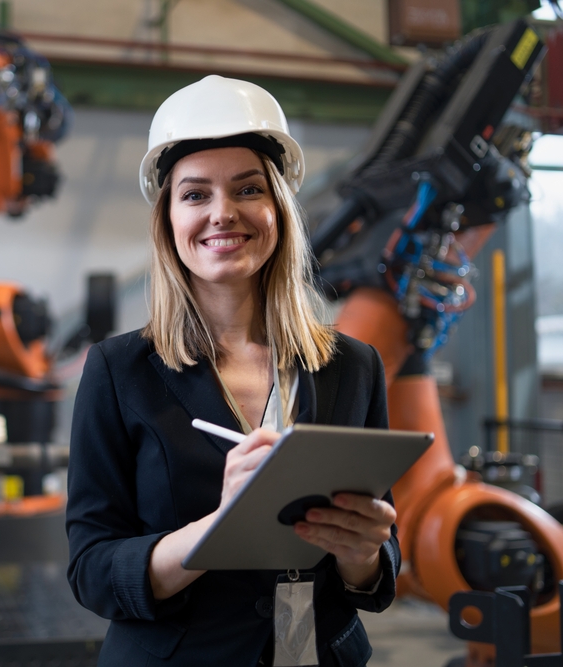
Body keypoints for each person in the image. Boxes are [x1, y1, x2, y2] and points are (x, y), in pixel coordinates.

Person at [65, 75, 399, 666]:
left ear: (278, 210)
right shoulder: (120, 371)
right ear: (168, 218)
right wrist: (222, 526)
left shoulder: (352, 367)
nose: (223, 214)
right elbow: (92, 570)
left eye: (248, 189)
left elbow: (373, 569)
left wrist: (363, 551)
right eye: (195, 194)